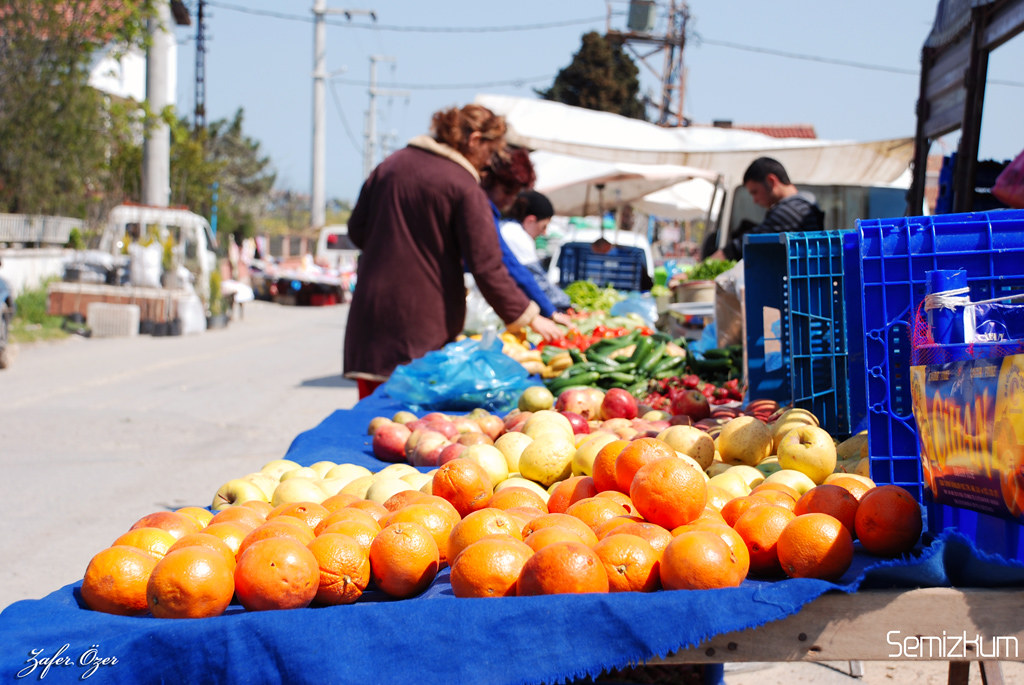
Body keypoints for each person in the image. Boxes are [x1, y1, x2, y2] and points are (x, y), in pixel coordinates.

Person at [343, 104, 563, 398]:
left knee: (372, 412)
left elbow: (357, 231)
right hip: (420, 324)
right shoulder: (463, 185)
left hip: (370, 316)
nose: (488, 163)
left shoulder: (390, 166)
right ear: (474, 140)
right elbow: (488, 266)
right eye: (490, 151)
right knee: (407, 416)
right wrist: (530, 317)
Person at [481, 150, 569, 320]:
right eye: (507, 192)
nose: (509, 201)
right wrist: (555, 309)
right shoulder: (514, 234)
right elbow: (531, 279)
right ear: (530, 220)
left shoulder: (502, 225)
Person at [715, 157, 825, 261]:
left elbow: (749, 243)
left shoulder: (789, 211)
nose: (755, 200)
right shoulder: (805, 202)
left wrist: (715, 259)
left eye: (755, 192)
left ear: (771, 181)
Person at [499, 190, 572, 313]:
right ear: (530, 220)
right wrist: (564, 305)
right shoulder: (516, 235)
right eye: (544, 226)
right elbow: (536, 281)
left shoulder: (504, 227)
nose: (544, 233)